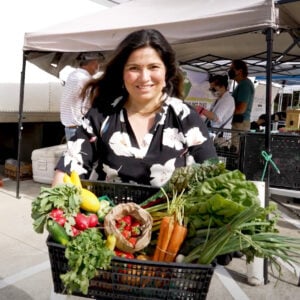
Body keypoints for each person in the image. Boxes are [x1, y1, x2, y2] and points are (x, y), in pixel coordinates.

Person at [52, 29, 217, 187]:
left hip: (170, 216)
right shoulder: (101, 116)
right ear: (122, 73)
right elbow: (70, 167)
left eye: (153, 67)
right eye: (134, 68)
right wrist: (58, 207)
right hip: (108, 215)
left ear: (166, 72)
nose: (144, 78)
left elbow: (212, 176)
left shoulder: (186, 117)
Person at [60, 52, 103, 141]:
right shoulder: (86, 79)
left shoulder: (73, 75)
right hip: (80, 128)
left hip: (70, 127)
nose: (98, 66)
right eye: (97, 63)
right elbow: (89, 106)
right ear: (93, 63)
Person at [228, 60, 255, 150]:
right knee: (236, 149)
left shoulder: (245, 85)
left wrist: (226, 114)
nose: (230, 70)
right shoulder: (242, 84)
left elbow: (241, 109)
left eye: (232, 68)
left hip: (241, 124)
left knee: (237, 150)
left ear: (240, 71)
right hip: (239, 123)